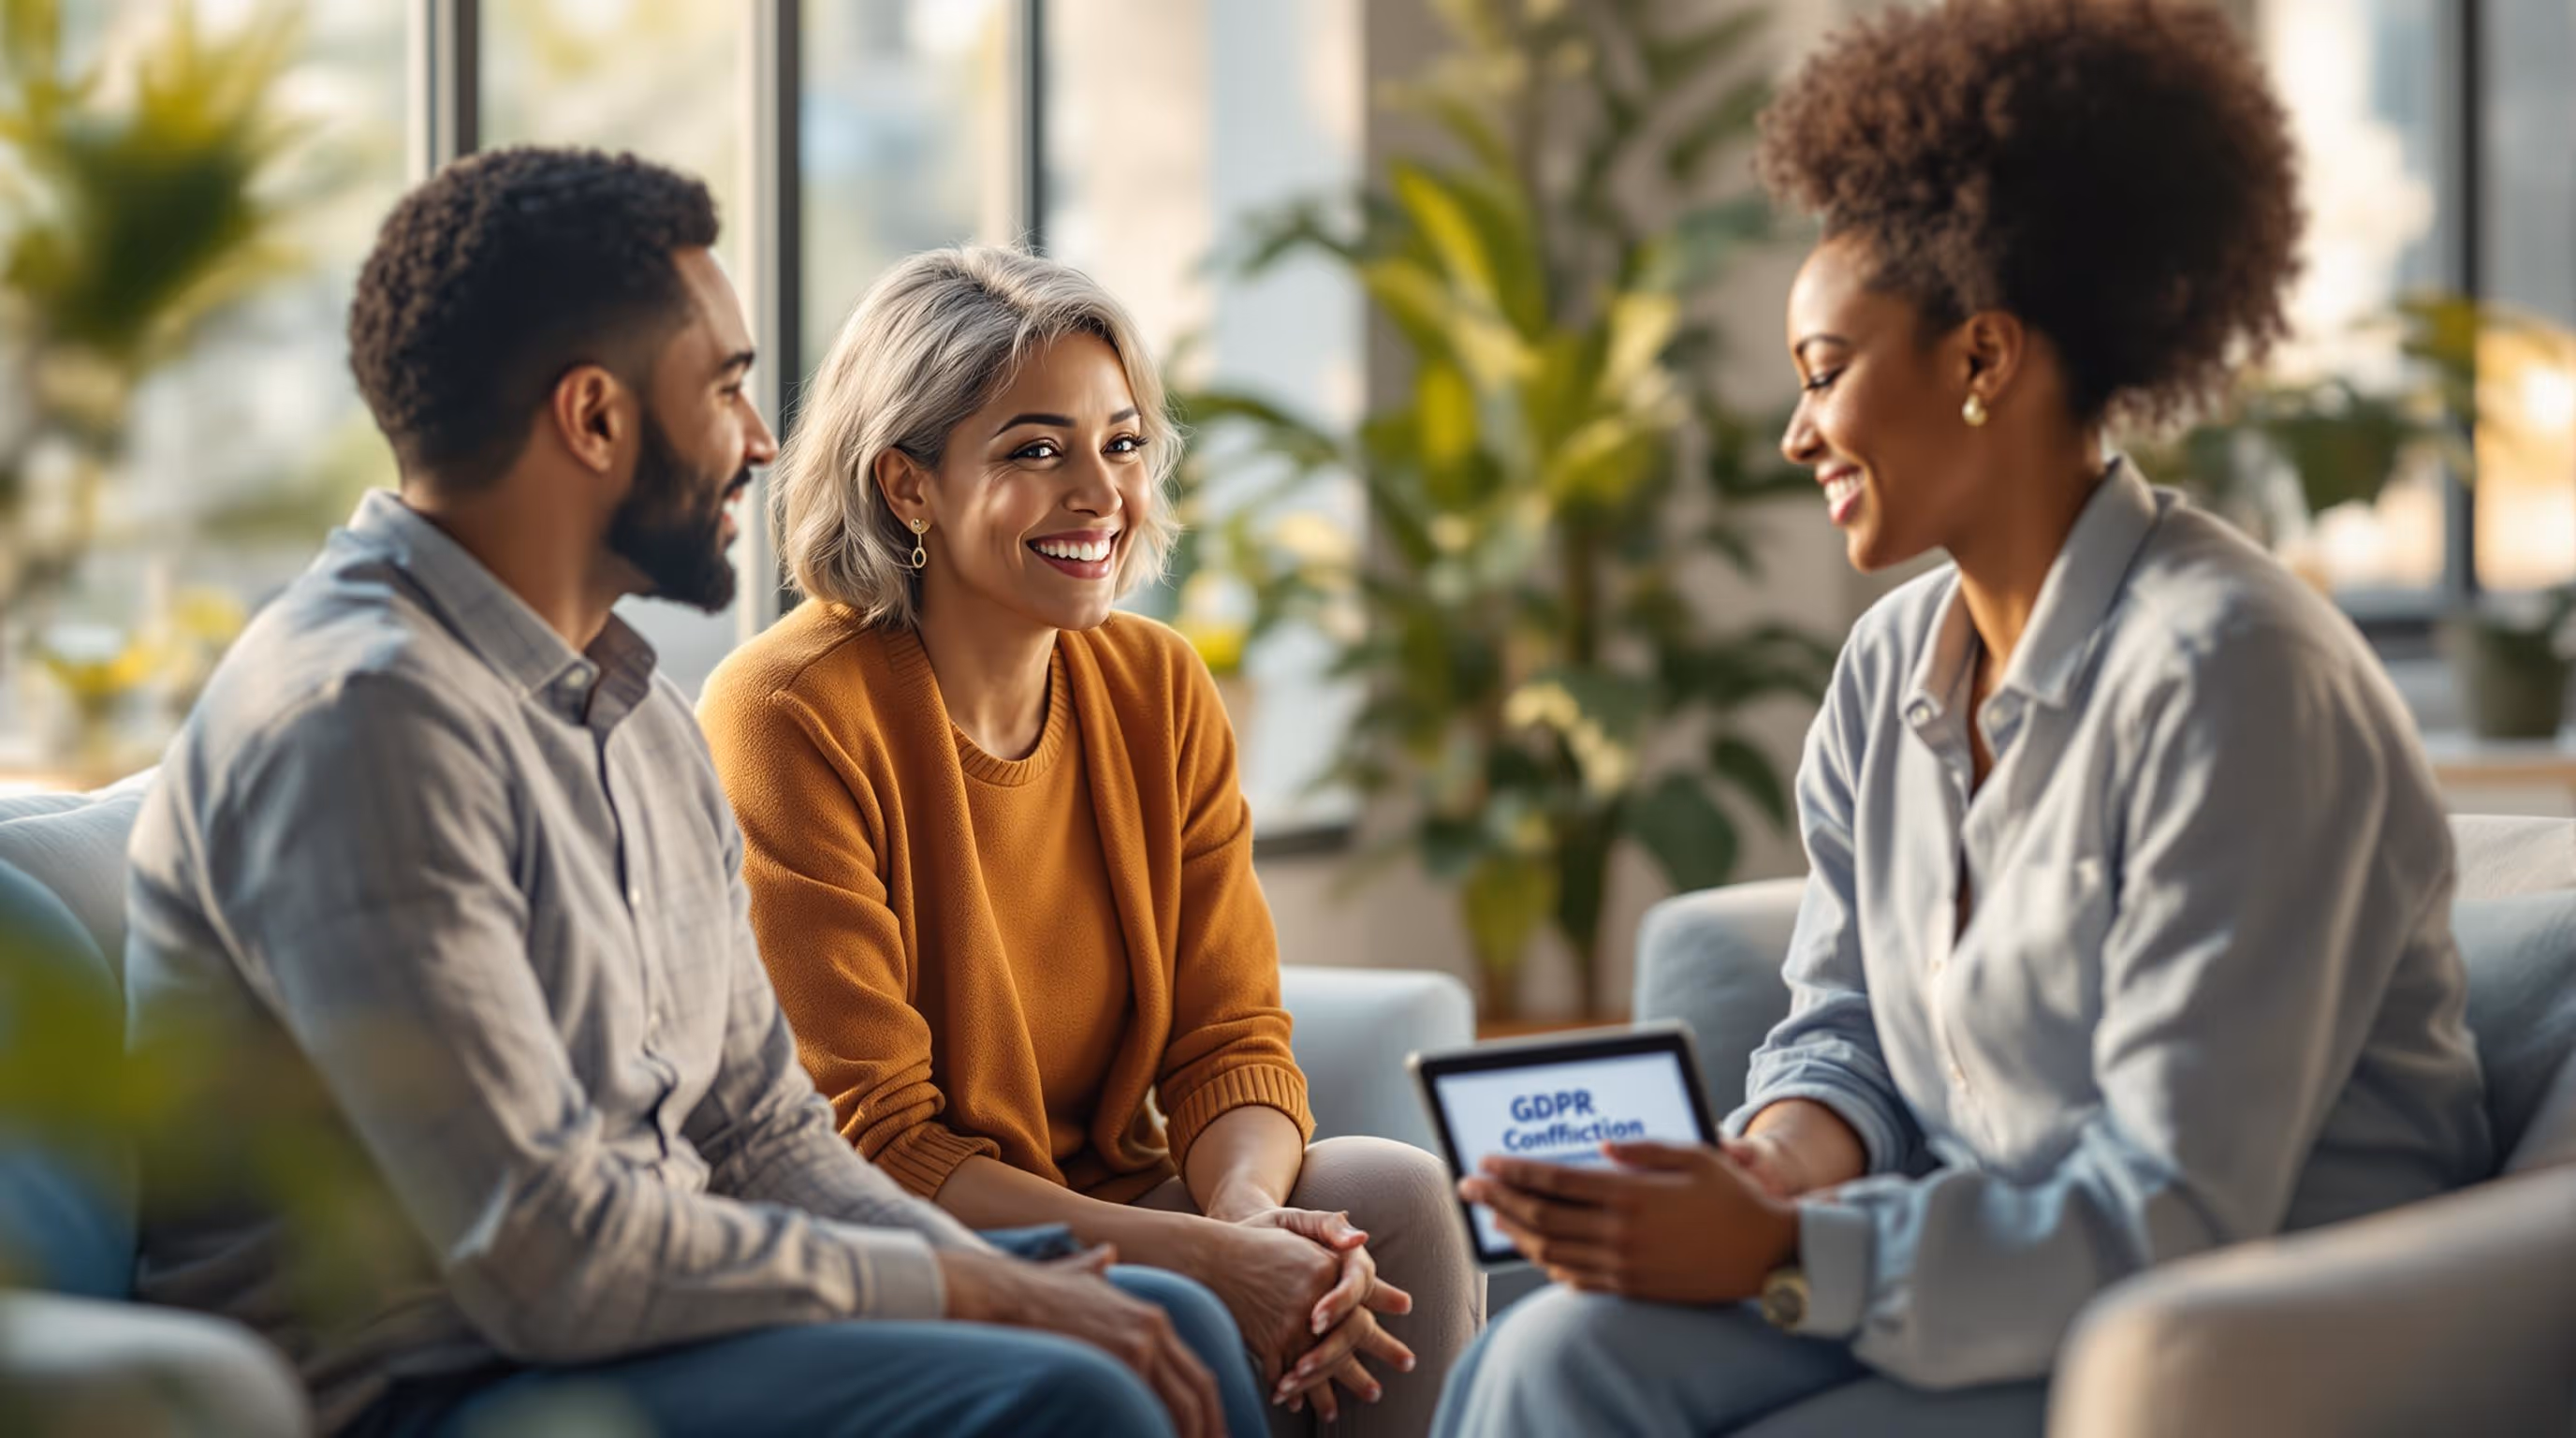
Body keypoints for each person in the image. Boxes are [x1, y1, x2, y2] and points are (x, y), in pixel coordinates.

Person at [1430, 3, 2493, 1433]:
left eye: (1823, 371)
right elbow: (1848, 1022)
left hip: (2232, 1335)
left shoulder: (2234, 678)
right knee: (1545, 1355)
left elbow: (2180, 1204)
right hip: (1978, 1272)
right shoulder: (1888, 670)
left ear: (1983, 361)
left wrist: (1790, 1254)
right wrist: (1771, 1169)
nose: (1797, 433)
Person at [123, 147, 1263, 1438]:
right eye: (725, 386)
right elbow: (545, 1259)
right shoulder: (364, 724)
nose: (764, 443)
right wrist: (967, 1287)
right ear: (595, 418)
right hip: (440, 1384)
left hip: (639, 1327)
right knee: (1072, 1389)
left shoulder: (631, 713)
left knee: (1177, 1323)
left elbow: (765, 1137)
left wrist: (1021, 1279)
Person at [698, 245, 1483, 1437]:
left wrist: (1248, 1224)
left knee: (1397, 1198)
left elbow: (1230, 1042)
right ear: (908, 486)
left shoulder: (1158, 683)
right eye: (1034, 450)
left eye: (1120, 444)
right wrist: (1203, 1262)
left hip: (1120, 1195)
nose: (1102, 496)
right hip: (915, 1246)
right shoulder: (786, 713)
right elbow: (876, 1150)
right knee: (1206, 1297)